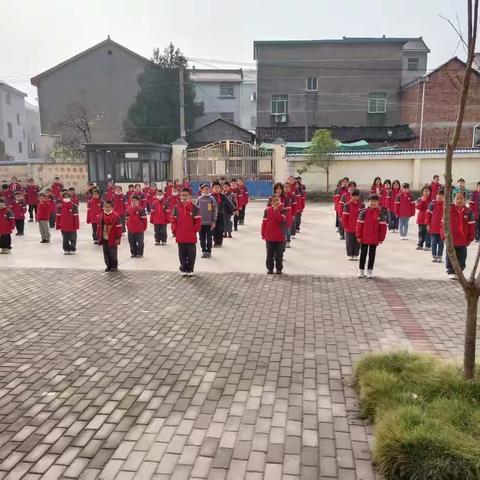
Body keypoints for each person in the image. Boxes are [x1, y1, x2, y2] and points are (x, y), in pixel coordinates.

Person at [170, 188, 202, 276]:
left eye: (186, 195)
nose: (184, 197)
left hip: (191, 235)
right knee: (182, 253)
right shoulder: (176, 208)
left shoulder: (195, 208)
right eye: (182, 195)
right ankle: (183, 268)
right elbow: (173, 220)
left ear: (190, 196)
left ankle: (190, 269)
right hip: (180, 235)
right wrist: (174, 230)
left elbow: (198, 221)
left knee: (191, 253)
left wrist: (194, 230)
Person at [443, 191, 475, 280]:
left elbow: (472, 226)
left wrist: (471, 238)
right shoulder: (449, 210)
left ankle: (459, 271)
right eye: (457, 198)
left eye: (461, 198)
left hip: (463, 239)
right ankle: (450, 271)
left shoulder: (469, 212)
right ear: (453, 200)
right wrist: (443, 236)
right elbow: (443, 224)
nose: (459, 200)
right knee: (450, 256)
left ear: (465, 200)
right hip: (451, 239)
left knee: (462, 257)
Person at [356, 194, 387, 278]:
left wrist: (381, 238)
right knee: (363, 254)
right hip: (364, 237)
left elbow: (383, 227)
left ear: (378, 202)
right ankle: (361, 270)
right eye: (371, 201)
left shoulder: (380, 213)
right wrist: (358, 236)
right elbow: (359, 225)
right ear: (368, 202)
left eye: (375, 201)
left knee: (372, 255)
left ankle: (370, 270)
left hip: (374, 238)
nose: (373, 203)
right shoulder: (363, 213)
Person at [261, 195, 286, 274]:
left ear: (280, 201)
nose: (276, 202)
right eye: (274, 201)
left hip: (280, 237)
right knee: (269, 255)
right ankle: (270, 269)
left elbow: (280, 219)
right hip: (269, 237)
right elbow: (264, 223)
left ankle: (279, 269)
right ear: (271, 202)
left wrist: (276, 211)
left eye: (277, 200)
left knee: (279, 254)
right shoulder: (267, 211)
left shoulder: (283, 210)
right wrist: (263, 233)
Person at [97, 200, 123, 272]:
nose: (107, 208)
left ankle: (114, 266)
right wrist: (98, 235)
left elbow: (119, 228)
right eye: (105, 207)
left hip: (113, 237)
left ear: (112, 207)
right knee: (106, 252)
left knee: (113, 253)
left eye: (109, 207)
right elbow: (99, 226)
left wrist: (118, 237)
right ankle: (108, 265)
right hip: (104, 237)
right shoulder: (101, 215)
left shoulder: (116, 216)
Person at [342, 189, 364, 260]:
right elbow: (344, 217)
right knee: (349, 241)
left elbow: (364, 216)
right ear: (351, 196)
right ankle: (350, 254)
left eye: (357, 196)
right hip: (349, 227)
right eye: (354, 195)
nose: (355, 197)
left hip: (358, 227)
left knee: (357, 241)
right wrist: (345, 226)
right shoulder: (347, 205)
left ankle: (356, 254)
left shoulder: (362, 205)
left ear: (359, 196)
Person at [196, 184, 217, 258]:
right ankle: (204, 251)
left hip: (209, 223)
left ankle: (209, 251)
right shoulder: (199, 199)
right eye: (204, 189)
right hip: (201, 223)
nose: (206, 190)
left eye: (208, 189)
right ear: (201, 190)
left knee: (209, 238)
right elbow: (196, 210)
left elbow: (214, 210)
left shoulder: (212, 199)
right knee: (202, 238)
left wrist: (214, 221)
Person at [211, 181, 234, 247]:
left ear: (220, 189)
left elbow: (228, 202)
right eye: (215, 187)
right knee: (214, 229)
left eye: (218, 187)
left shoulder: (222, 196)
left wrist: (234, 208)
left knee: (220, 228)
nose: (217, 189)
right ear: (212, 188)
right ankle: (215, 241)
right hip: (212, 216)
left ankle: (220, 242)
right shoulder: (210, 196)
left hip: (220, 214)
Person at [426, 189, 445, 263]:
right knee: (433, 242)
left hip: (442, 228)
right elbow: (428, 215)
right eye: (438, 195)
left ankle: (439, 256)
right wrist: (428, 224)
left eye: (441, 195)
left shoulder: (446, 204)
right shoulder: (432, 204)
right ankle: (434, 256)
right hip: (433, 227)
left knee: (441, 243)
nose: (439, 196)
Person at [416, 185, 431, 250]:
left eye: (428, 191)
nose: (426, 192)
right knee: (421, 232)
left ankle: (428, 245)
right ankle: (420, 244)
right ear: (422, 192)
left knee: (428, 232)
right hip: (421, 218)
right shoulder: (419, 199)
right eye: (425, 191)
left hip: (429, 218)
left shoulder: (432, 200)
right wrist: (422, 201)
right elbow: (418, 207)